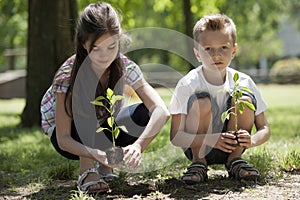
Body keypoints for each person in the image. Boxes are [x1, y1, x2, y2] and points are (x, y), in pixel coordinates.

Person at [40, 2, 169, 194]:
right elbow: (64, 138)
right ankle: (88, 170)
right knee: (89, 107)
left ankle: (105, 165)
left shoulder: (125, 65)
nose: (105, 55)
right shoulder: (67, 75)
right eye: (96, 48)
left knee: (145, 113)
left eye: (111, 46)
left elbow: (161, 111)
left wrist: (137, 146)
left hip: (104, 124)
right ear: (83, 44)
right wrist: (95, 153)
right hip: (70, 134)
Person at [169, 13, 270, 184]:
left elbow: (265, 128)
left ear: (234, 50)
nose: (216, 55)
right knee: (202, 102)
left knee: (243, 99)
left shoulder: (244, 81)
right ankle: (198, 163)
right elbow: (176, 136)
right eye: (208, 49)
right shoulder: (188, 83)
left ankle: (235, 160)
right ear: (197, 53)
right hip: (198, 145)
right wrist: (208, 139)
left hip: (232, 145)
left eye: (223, 47)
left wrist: (252, 140)